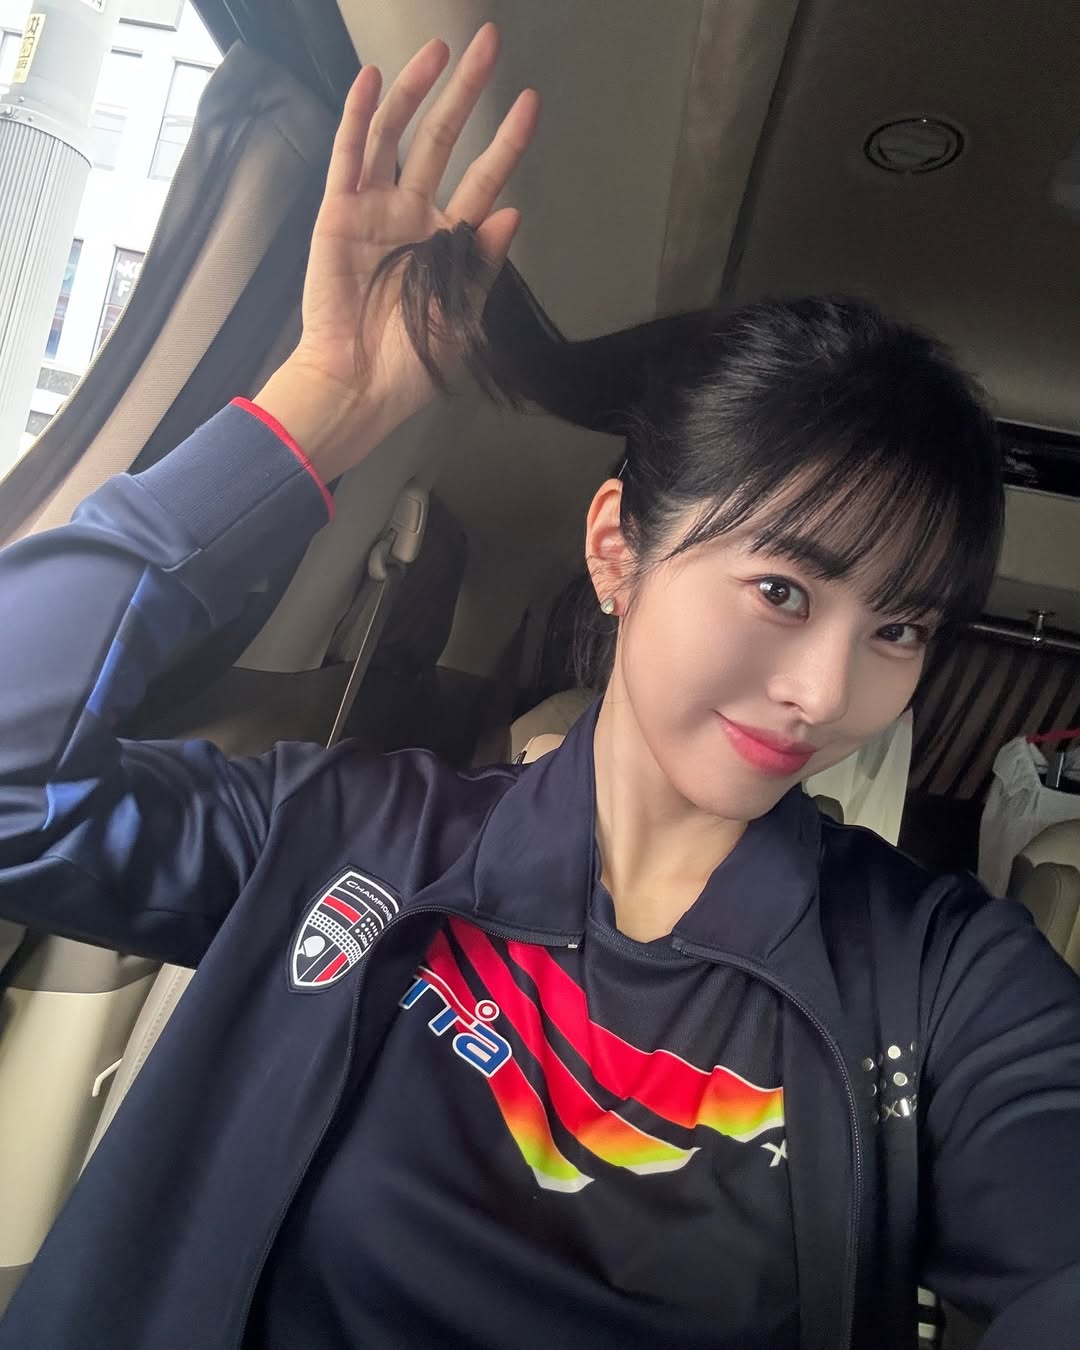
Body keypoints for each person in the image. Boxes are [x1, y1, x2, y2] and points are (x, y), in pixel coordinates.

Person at [0, 23, 1077, 1350]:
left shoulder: (935, 987)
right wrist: (310, 411)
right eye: (783, 590)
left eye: (898, 629)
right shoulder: (344, 835)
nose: (824, 692)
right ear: (617, 548)